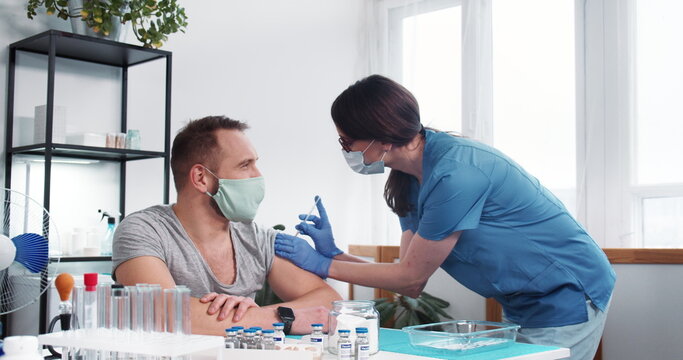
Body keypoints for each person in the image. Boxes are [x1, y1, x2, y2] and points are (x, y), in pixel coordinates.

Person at [274, 75, 616, 359]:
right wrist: (334, 255)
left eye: (346, 140)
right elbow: (409, 276)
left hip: (566, 293)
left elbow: (409, 278)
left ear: (381, 136)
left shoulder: (456, 173)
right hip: (521, 300)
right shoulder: (408, 180)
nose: (346, 150)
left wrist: (321, 264)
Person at [114, 115, 341, 335]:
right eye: (245, 165)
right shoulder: (143, 230)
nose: (258, 176)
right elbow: (163, 312)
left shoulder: (256, 237)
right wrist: (282, 319)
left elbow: (329, 302)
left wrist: (255, 315)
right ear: (201, 178)